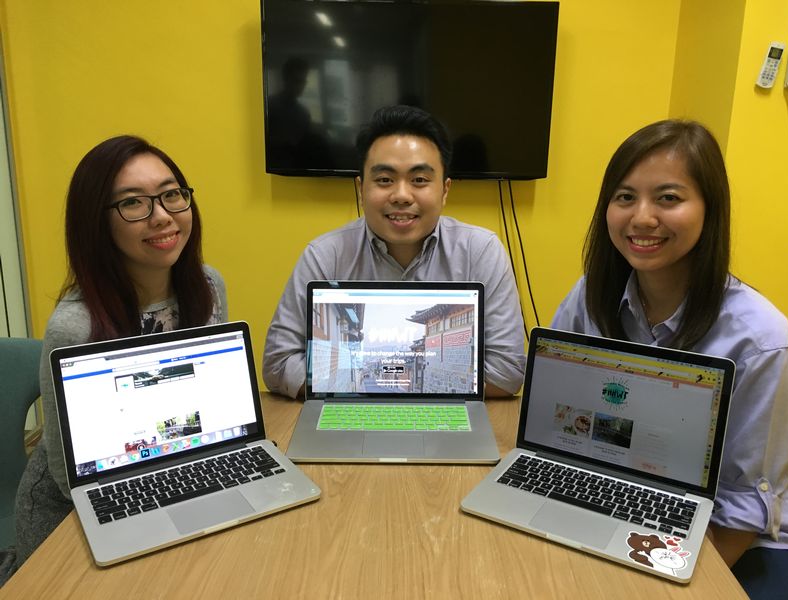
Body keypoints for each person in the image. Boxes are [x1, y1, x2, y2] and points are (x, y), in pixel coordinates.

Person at [551, 119, 788, 597]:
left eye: (668, 198)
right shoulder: (590, 297)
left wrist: (663, 583)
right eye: (625, 197)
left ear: (710, 209)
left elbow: (745, 508)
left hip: (736, 538)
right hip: (625, 491)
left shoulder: (761, 340)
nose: (641, 218)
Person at [9, 135, 228, 575]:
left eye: (172, 195)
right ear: (97, 223)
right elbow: (67, 473)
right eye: (133, 203)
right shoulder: (74, 326)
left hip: (178, 462)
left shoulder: (208, 286)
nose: (163, 217)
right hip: (80, 509)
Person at [263, 104, 526, 399]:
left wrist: (356, 386)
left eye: (420, 180)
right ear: (362, 189)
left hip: (448, 421)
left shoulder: (481, 252)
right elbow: (278, 362)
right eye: (385, 180)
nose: (401, 195)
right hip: (349, 417)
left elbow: (507, 370)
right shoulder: (326, 255)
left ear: (445, 190)